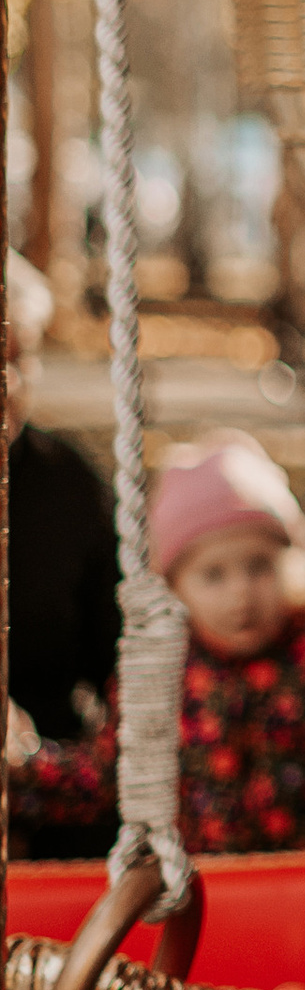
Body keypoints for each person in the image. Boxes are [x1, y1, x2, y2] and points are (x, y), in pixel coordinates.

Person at [6, 433, 305, 857]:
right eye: (213, 575)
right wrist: (26, 773)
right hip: (212, 886)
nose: (241, 594)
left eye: (260, 567)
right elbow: (108, 773)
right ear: (175, 587)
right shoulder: (161, 670)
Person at [5, 252, 119, 749]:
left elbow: (115, 655)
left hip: (53, 774)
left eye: (17, 358)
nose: (6, 383)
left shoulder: (69, 483)